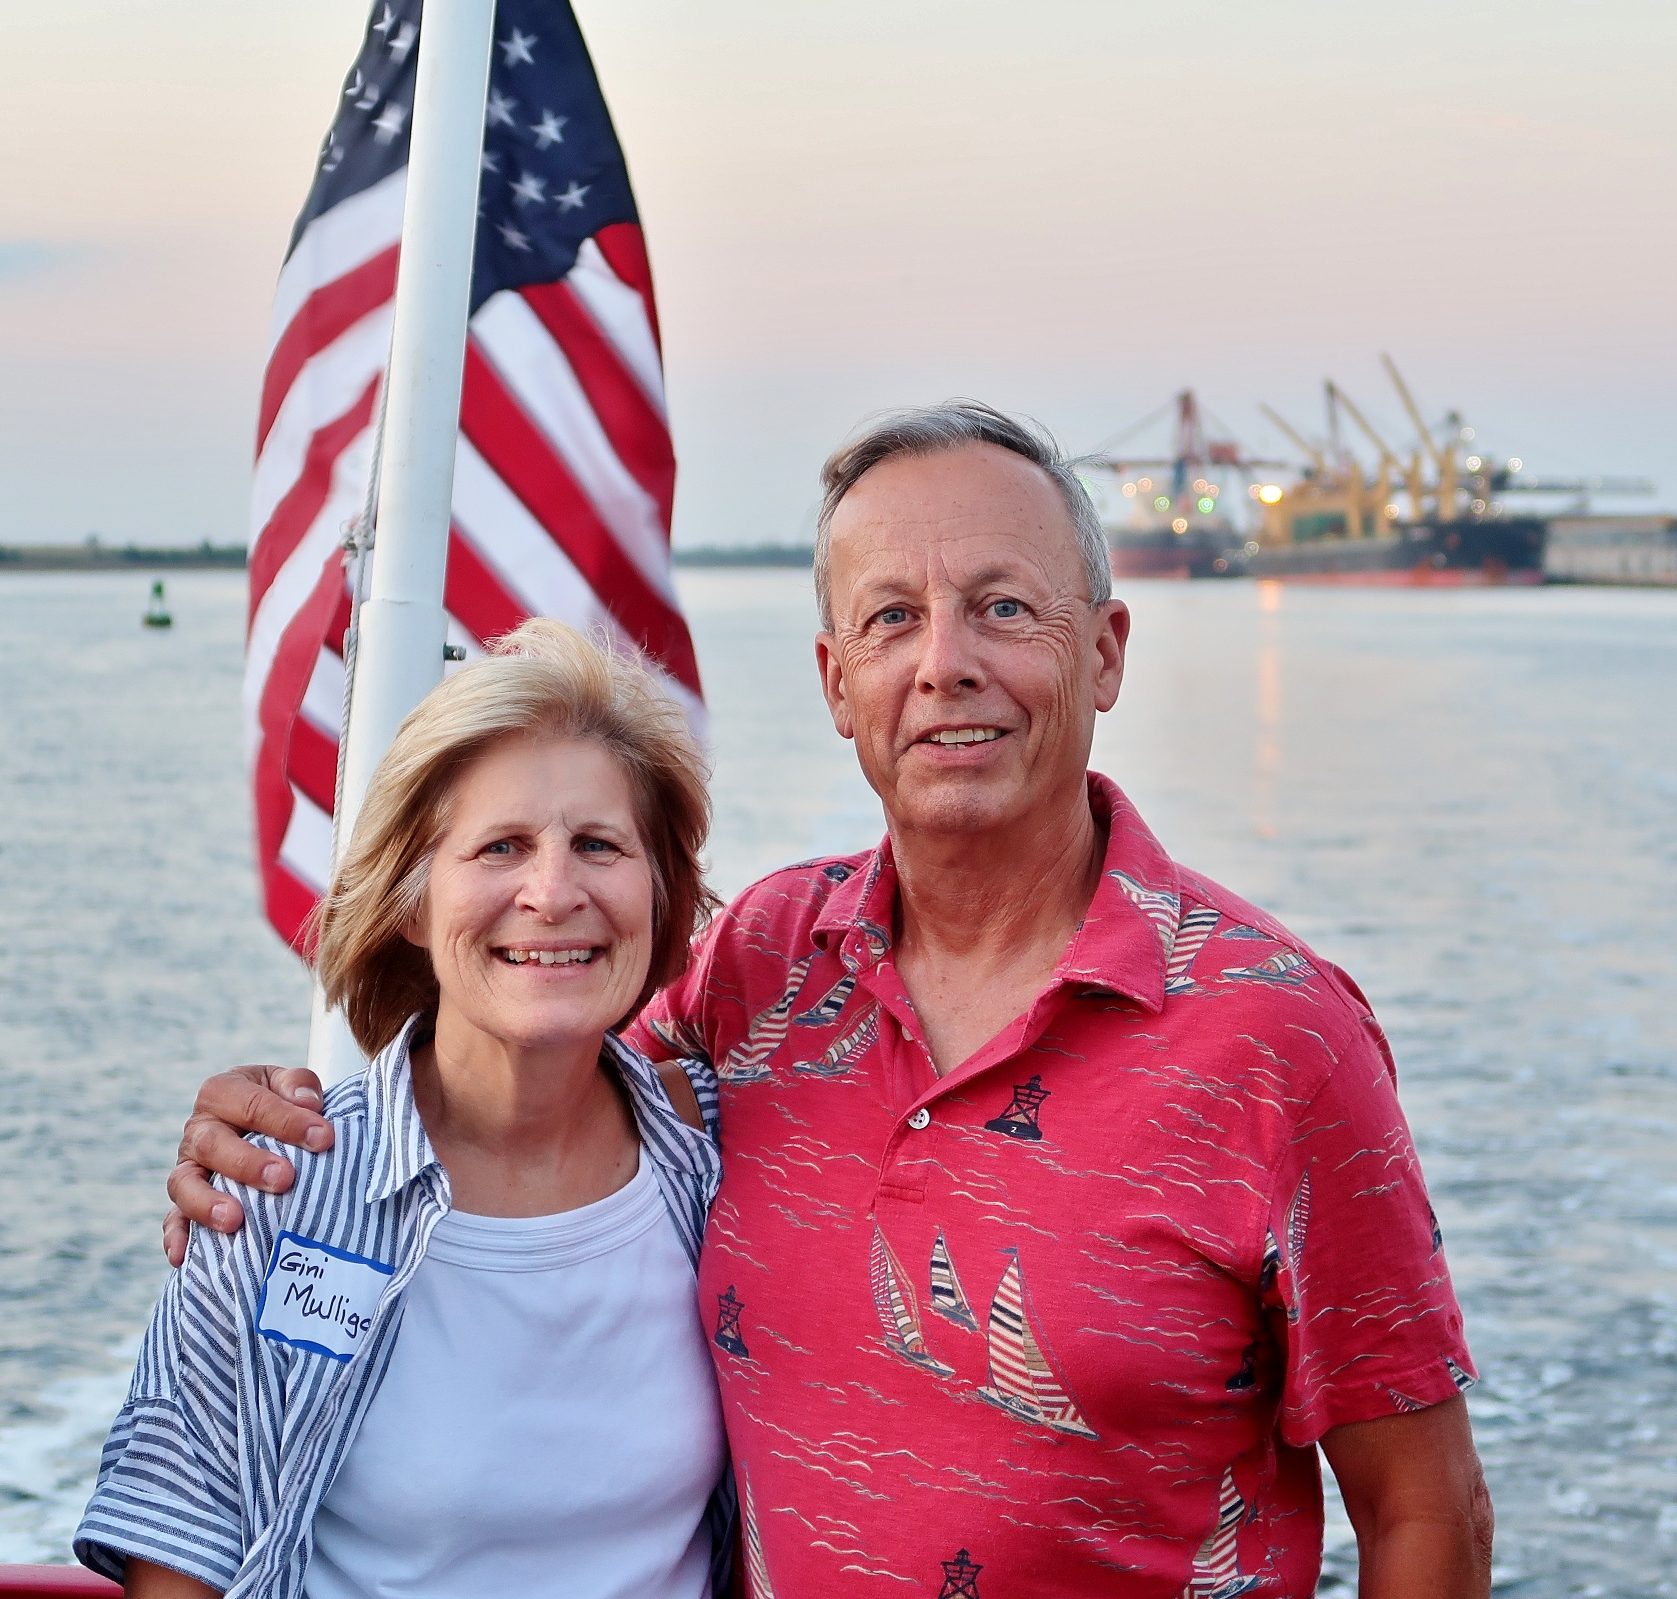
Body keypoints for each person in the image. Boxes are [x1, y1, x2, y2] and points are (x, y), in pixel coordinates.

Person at [166, 402, 1494, 1597]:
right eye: (892, 618)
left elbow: (1424, 1512)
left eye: (1004, 608)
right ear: (835, 684)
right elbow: (517, 1069)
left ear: (1105, 652)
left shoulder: (1279, 1035)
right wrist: (286, 1130)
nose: (944, 663)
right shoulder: (757, 965)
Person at [79, 622, 732, 1599]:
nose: (553, 892)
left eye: (598, 844)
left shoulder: (720, 1161)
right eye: (501, 846)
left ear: (659, 893)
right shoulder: (273, 1193)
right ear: (413, 904)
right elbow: (181, 1552)